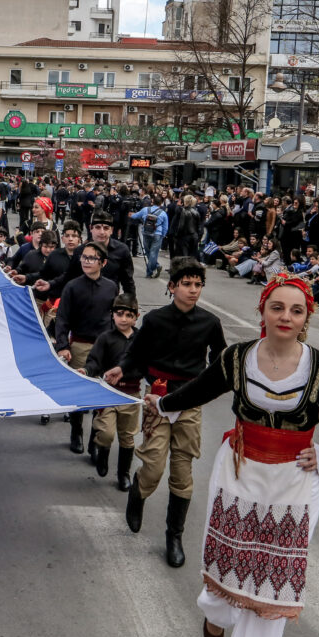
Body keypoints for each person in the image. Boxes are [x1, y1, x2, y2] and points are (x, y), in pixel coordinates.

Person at [147, 275, 319, 637]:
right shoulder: (237, 358)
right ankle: (216, 612)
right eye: (278, 307)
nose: (286, 316)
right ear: (263, 312)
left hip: (294, 481)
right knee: (229, 558)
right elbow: (198, 390)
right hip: (238, 472)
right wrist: (162, 403)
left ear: (306, 318)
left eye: (296, 310)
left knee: (275, 574)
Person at [107, 258, 227, 567]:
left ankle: (174, 536)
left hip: (189, 401)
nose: (193, 290)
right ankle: (138, 493)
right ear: (172, 287)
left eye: (198, 285)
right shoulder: (156, 320)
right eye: (186, 284)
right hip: (157, 399)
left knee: (183, 472)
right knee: (154, 465)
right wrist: (121, 369)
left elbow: (220, 363)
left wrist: (216, 385)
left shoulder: (210, 323)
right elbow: (136, 355)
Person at [54, 241, 119, 454]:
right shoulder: (72, 286)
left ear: (103, 262)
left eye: (92, 258)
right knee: (80, 392)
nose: (86, 261)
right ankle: (76, 431)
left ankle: (94, 437)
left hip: (104, 347)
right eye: (84, 257)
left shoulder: (111, 287)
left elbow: (115, 319)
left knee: (100, 392)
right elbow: (62, 319)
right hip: (80, 345)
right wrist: (63, 346)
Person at [84, 293, 142, 486]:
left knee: (127, 436)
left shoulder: (141, 339)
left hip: (131, 395)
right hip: (108, 393)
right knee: (107, 433)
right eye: (119, 314)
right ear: (112, 315)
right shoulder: (105, 338)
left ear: (136, 316)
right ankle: (102, 453)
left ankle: (123, 474)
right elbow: (94, 361)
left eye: (128, 315)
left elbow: (147, 363)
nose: (124, 319)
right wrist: (86, 370)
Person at [128, 195, 169, 278]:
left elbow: (135, 216)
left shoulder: (145, 210)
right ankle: (152, 270)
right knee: (154, 253)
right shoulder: (163, 213)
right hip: (157, 234)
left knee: (148, 252)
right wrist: (163, 235)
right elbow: (165, 227)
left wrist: (130, 214)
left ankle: (152, 269)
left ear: (152, 202)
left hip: (146, 232)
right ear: (161, 204)